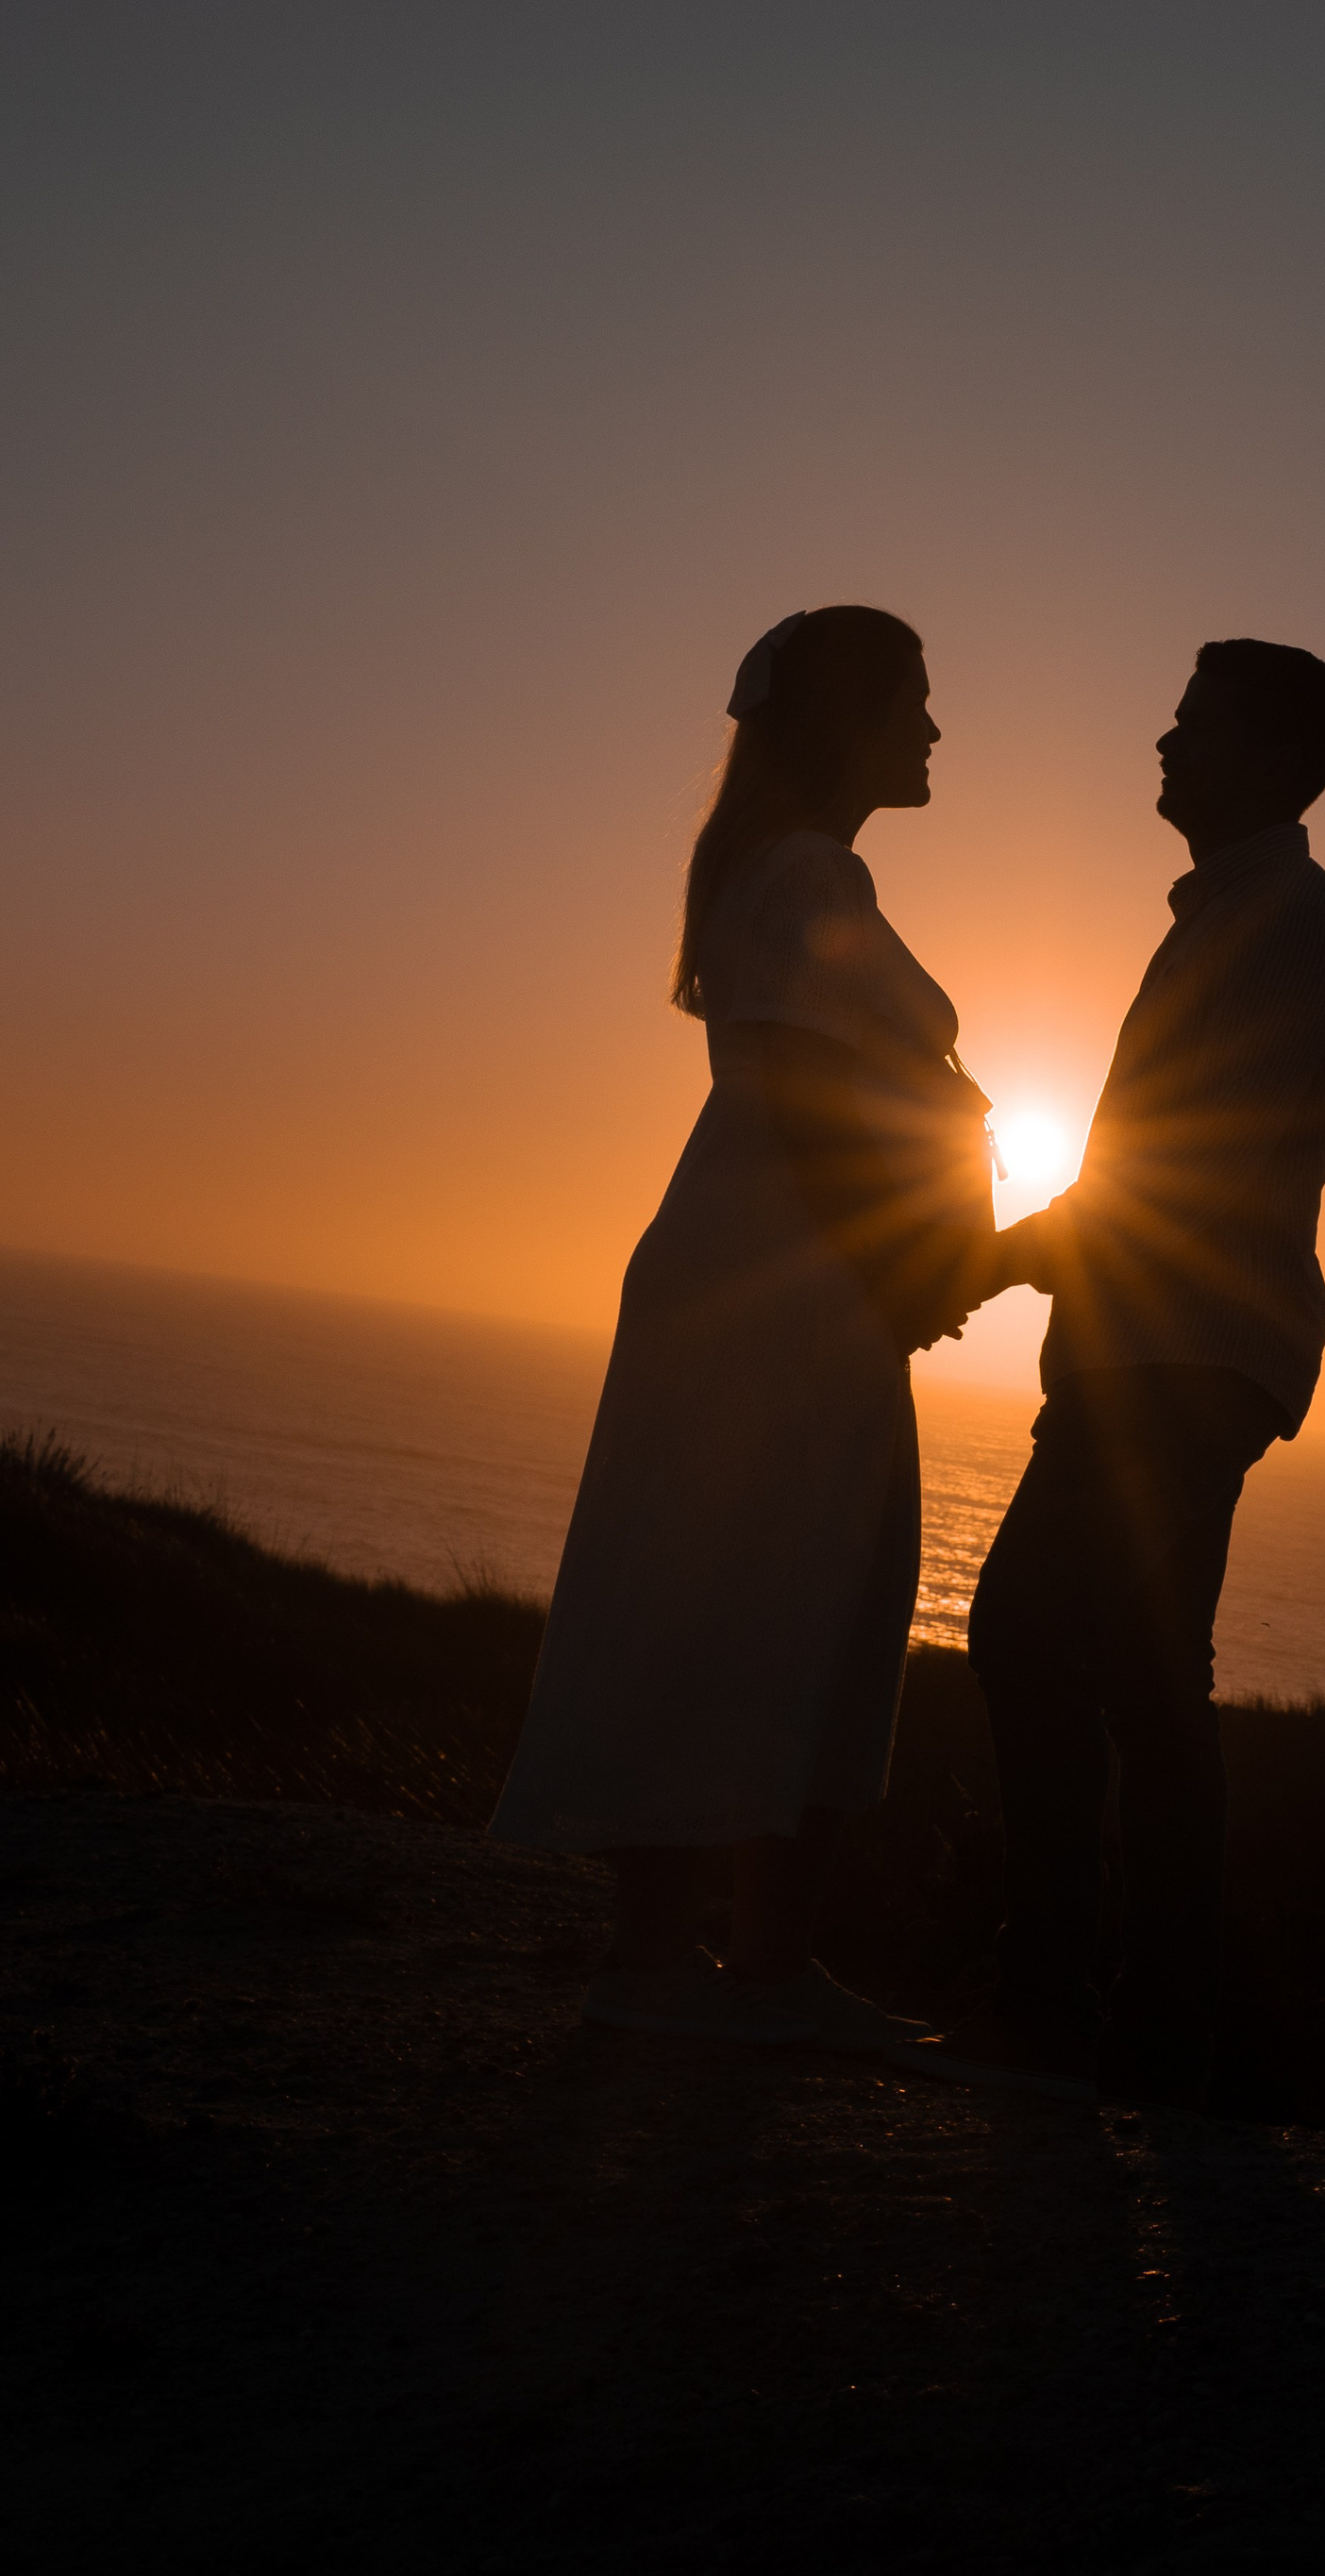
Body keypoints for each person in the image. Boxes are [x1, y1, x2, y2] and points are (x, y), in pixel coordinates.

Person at [492, 606, 997, 2049]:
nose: (934, 729)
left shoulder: (792, 874)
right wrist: (915, 1263)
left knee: (769, 1583)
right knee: (776, 1584)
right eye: (914, 699)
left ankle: (703, 1961)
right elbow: (812, 1103)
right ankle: (720, 1968)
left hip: (777, 1274)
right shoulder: (804, 877)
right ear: (846, 720)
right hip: (788, 1283)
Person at [898, 638, 1325, 2105]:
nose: (1161, 746)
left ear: (1268, 758)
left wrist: (988, 1259)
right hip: (1165, 1346)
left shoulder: (1286, 929)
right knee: (1147, 1676)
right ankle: (1154, 2028)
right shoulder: (1245, 917)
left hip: (1177, 1356)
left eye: (1191, 727)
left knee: (1037, 1636)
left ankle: (1058, 2002)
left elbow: (1185, 1172)